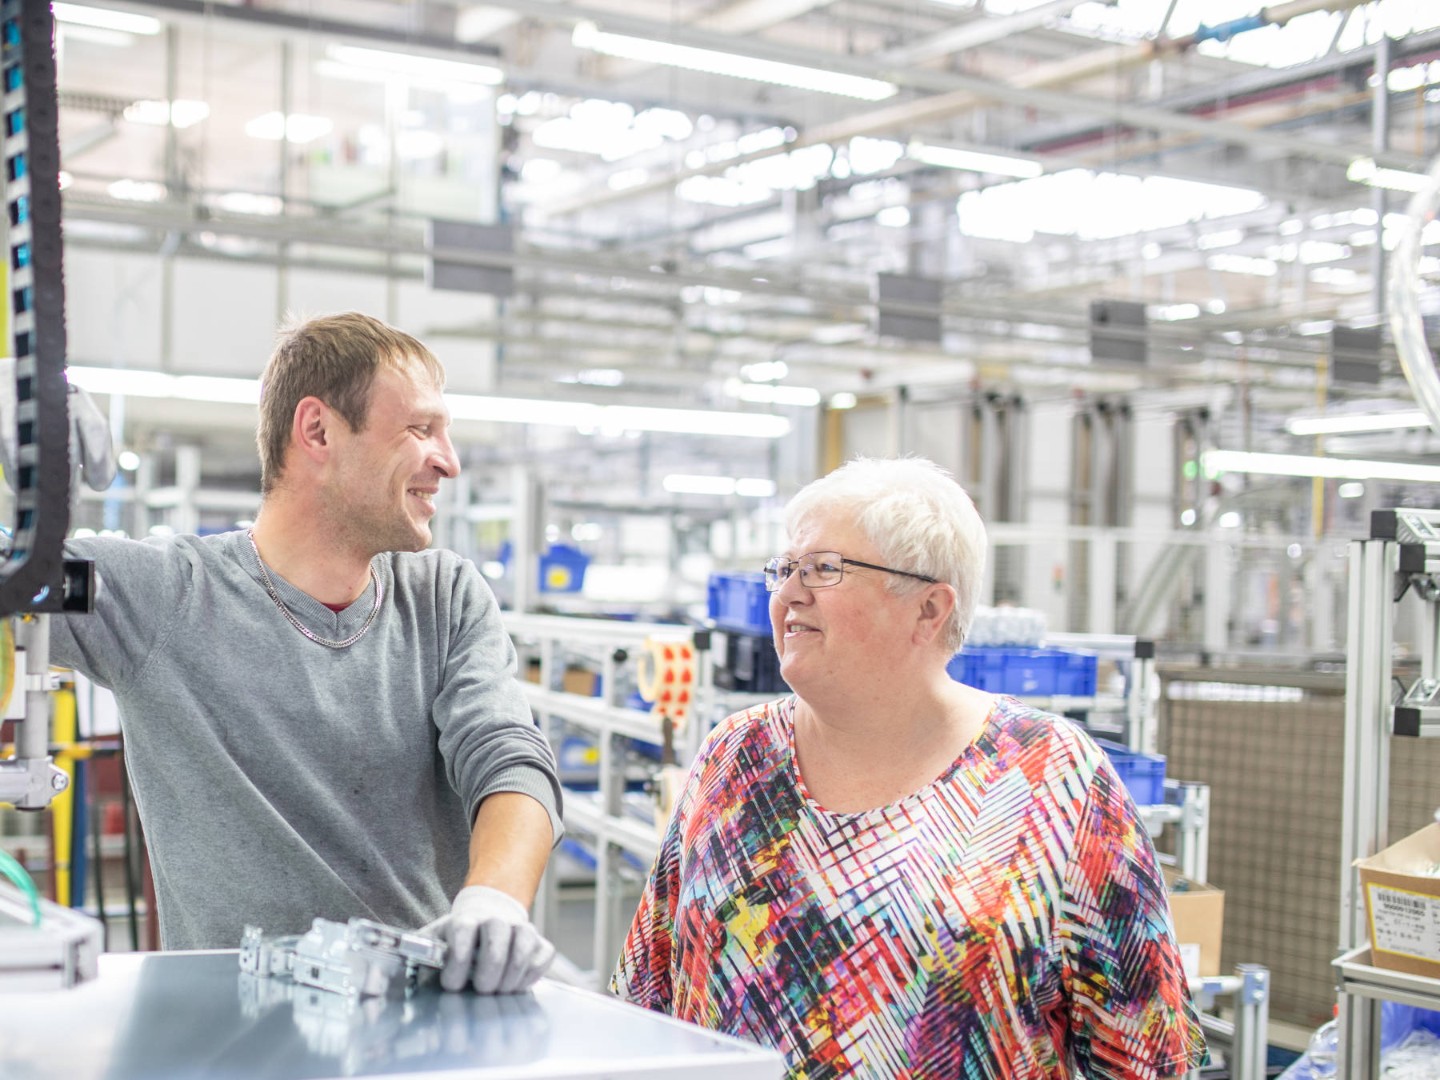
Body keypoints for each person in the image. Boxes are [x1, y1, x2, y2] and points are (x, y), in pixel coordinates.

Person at [612, 456, 1205, 1077]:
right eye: (784, 569)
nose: (788, 594)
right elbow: (645, 997)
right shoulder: (735, 757)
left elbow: (1146, 1057)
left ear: (929, 609)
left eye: (823, 569)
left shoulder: (1055, 778)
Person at [51, 312, 563, 995]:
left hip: (419, 1017)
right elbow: (14, 571)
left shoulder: (444, 597)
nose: (449, 460)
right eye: (420, 429)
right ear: (317, 431)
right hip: (229, 1027)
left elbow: (509, 758)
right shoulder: (163, 597)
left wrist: (494, 898)